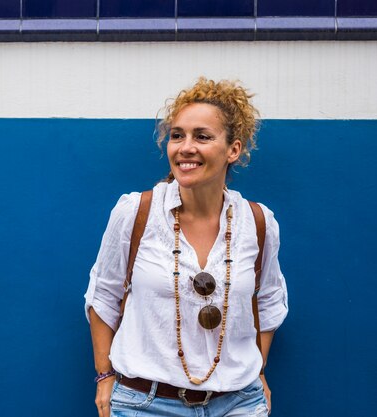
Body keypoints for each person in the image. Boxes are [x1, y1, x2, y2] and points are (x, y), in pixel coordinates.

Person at [84, 78, 288, 417]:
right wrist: (105, 376)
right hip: (146, 404)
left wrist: (254, 370)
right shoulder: (136, 213)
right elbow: (103, 296)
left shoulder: (258, 222)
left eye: (202, 136)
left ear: (233, 149)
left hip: (238, 404)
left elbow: (268, 301)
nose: (185, 147)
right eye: (177, 135)